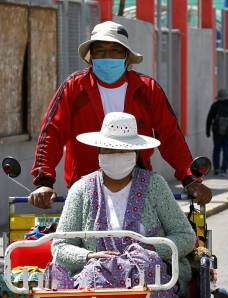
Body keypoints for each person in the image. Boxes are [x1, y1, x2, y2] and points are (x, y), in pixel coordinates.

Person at [29, 112, 197, 298]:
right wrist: (88, 257)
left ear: (135, 154)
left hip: (147, 275)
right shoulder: (82, 190)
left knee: (146, 275)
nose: (116, 157)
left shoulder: (154, 185)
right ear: (99, 154)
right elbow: (60, 246)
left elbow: (185, 236)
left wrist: (148, 250)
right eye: (109, 151)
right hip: (96, 275)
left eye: (123, 151)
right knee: (85, 280)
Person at [29, 20, 212, 209]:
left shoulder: (147, 90)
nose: (107, 56)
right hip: (86, 191)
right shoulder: (74, 88)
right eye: (100, 50)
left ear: (126, 55)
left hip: (138, 189)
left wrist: (189, 178)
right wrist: (44, 182)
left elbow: (170, 136)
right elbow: (52, 132)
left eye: (115, 50)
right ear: (91, 56)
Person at [205, 89, 228, 175]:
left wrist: (207, 131)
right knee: (226, 151)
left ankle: (216, 169)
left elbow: (209, 119)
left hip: (217, 133)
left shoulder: (215, 105)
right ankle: (224, 169)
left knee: (217, 150)